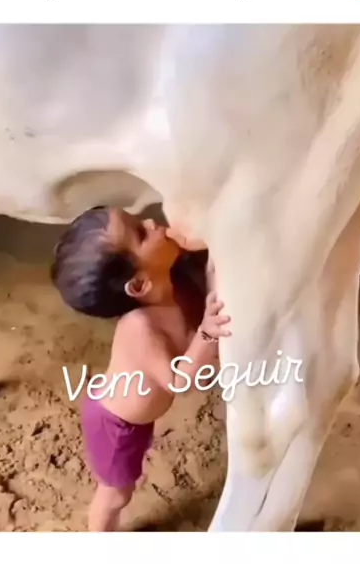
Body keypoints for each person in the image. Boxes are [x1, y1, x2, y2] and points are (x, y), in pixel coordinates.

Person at [51, 205, 231, 531]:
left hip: (138, 417)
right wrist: (207, 334)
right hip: (116, 424)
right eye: (141, 233)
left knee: (121, 487)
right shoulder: (139, 328)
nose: (151, 221)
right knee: (116, 494)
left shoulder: (174, 281)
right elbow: (179, 382)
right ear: (138, 285)